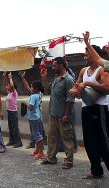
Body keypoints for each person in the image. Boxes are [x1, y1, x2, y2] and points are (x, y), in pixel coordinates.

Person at [69, 31, 109, 179]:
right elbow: (76, 86)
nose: (85, 57)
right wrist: (76, 90)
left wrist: (87, 83)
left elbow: (107, 88)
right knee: (89, 141)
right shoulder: (83, 70)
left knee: (103, 142)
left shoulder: (103, 69)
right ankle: (96, 170)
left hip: (100, 109)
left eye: (87, 54)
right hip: (87, 108)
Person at [40, 57, 75, 169]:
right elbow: (47, 91)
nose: (52, 67)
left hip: (63, 115)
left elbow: (70, 99)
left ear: (61, 65)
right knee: (52, 137)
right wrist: (44, 78)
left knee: (66, 139)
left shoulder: (68, 80)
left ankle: (69, 161)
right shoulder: (56, 79)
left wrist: (66, 115)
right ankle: (51, 158)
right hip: (53, 115)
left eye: (54, 65)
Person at [21, 71, 46, 149]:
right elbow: (27, 86)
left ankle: (39, 147)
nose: (30, 88)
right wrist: (23, 78)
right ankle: (37, 146)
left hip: (36, 115)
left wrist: (25, 103)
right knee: (37, 131)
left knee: (37, 132)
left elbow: (31, 107)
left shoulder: (34, 96)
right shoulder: (39, 94)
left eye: (32, 87)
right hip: (37, 115)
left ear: (36, 88)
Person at [3, 72, 22, 148]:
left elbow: (12, 85)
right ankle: (12, 140)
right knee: (10, 127)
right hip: (9, 112)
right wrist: (5, 77)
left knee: (15, 127)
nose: (7, 86)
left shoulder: (14, 93)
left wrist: (10, 78)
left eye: (9, 85)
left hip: (13, 112)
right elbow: (6, 83)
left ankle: (18, 142)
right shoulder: (9, 93)